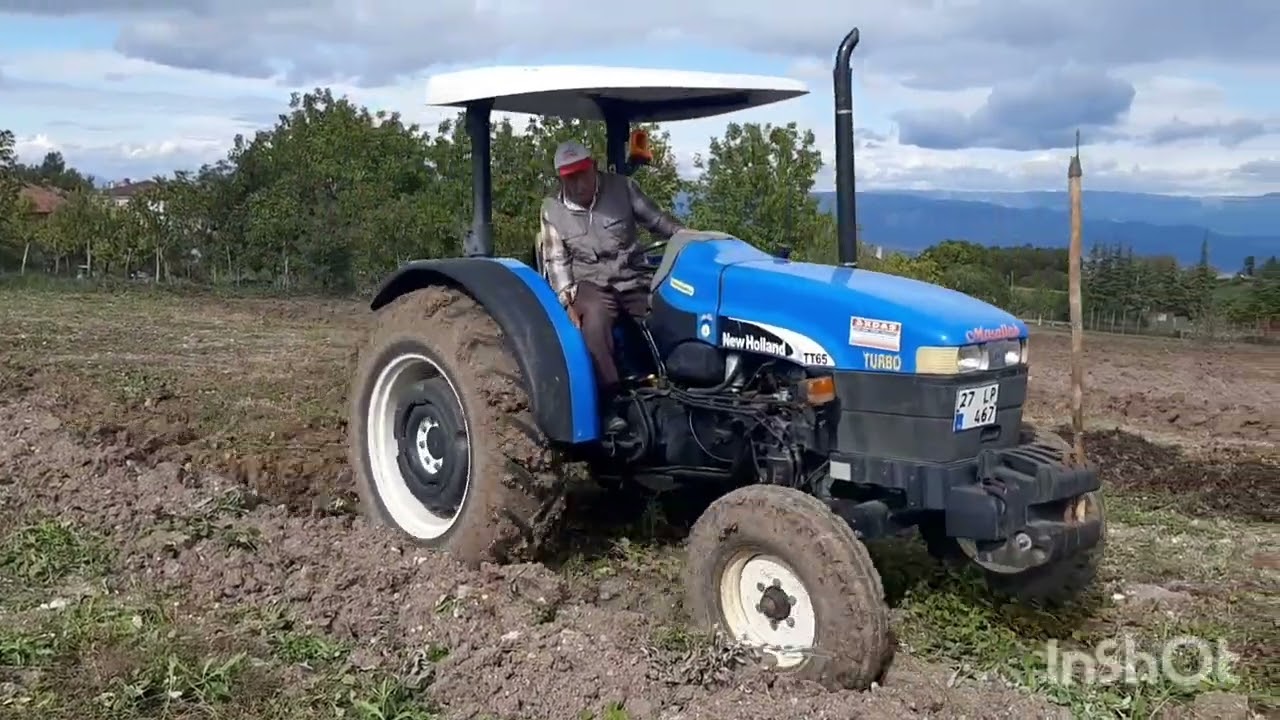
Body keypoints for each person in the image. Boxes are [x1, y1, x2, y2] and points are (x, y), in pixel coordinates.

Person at [537, 140, 684, 434]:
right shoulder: (552, 210)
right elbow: (555, 260)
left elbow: (659, 222)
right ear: (560, 178)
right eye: (569, 177)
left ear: (594, 166)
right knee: (593, 320)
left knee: (672, 311)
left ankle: (677, 387)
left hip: (633, 276)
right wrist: (566, 303)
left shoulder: (622, 188)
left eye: (582, 173)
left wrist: (688, 237)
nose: (578, 183)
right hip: (588, 282)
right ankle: (610, 402)